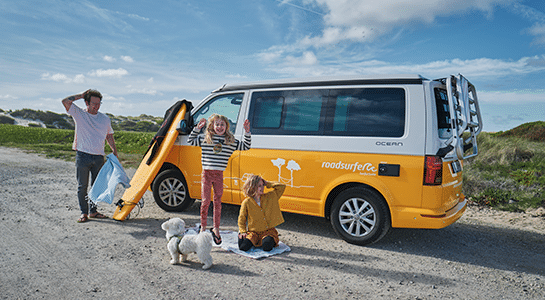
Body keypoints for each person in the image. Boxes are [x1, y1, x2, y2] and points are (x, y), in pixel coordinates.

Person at [188, 114, 251, 244]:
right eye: (217, 124)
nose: (219, 127)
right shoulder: (206, 138)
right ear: (212, 125)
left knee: (218, 202)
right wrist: (197, 128)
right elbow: (191, 140)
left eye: (222, 124)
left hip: (219, 175)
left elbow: (246, 146)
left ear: (226, 126)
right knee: (205, 201)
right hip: (206, 174)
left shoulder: (230, 140)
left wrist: (247, 132)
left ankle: (216, 228)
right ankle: (203, 228)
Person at [62, 89, 118, 223]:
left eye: (99, 103)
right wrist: (80, 96)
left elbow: (109, 135)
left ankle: (93, 211)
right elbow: (65, 102)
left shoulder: (105, 119)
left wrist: (114, 150)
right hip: (83, 156)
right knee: (82, 186)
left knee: (96, 186)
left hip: (99, 157)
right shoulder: (79, 114)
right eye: (93, 103)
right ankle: (84, 212)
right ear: (86, 102)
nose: (96, 106)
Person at [238, 175, 286, 252]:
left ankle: (268, 240)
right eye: (259, 186)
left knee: (267, 247)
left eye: (262, 185)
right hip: (253, 233)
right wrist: (242, 231)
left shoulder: (270, 196)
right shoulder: (246, 202)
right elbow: (241, 218)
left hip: (267, 232)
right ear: (252, 187)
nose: (262, 188)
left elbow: (282, 187)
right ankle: (245, 238)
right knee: (243, 247)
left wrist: (267, 183)